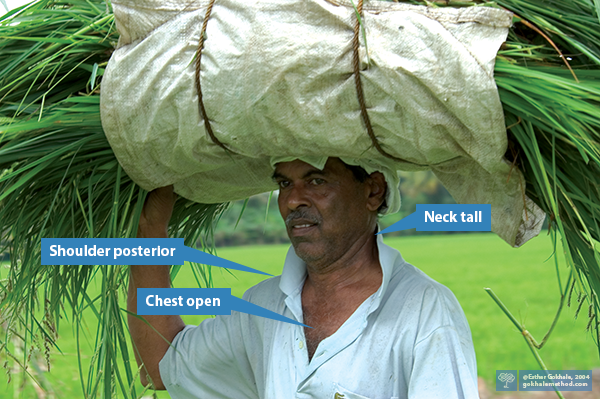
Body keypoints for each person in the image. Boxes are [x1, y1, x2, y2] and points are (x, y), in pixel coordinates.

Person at [128, 157, 478, 399]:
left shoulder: (425, 312)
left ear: (373, 191)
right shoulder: (261, 307)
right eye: (284, 183)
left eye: (316, 180)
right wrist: (150, 229)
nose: (293, 200)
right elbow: (161, 367)